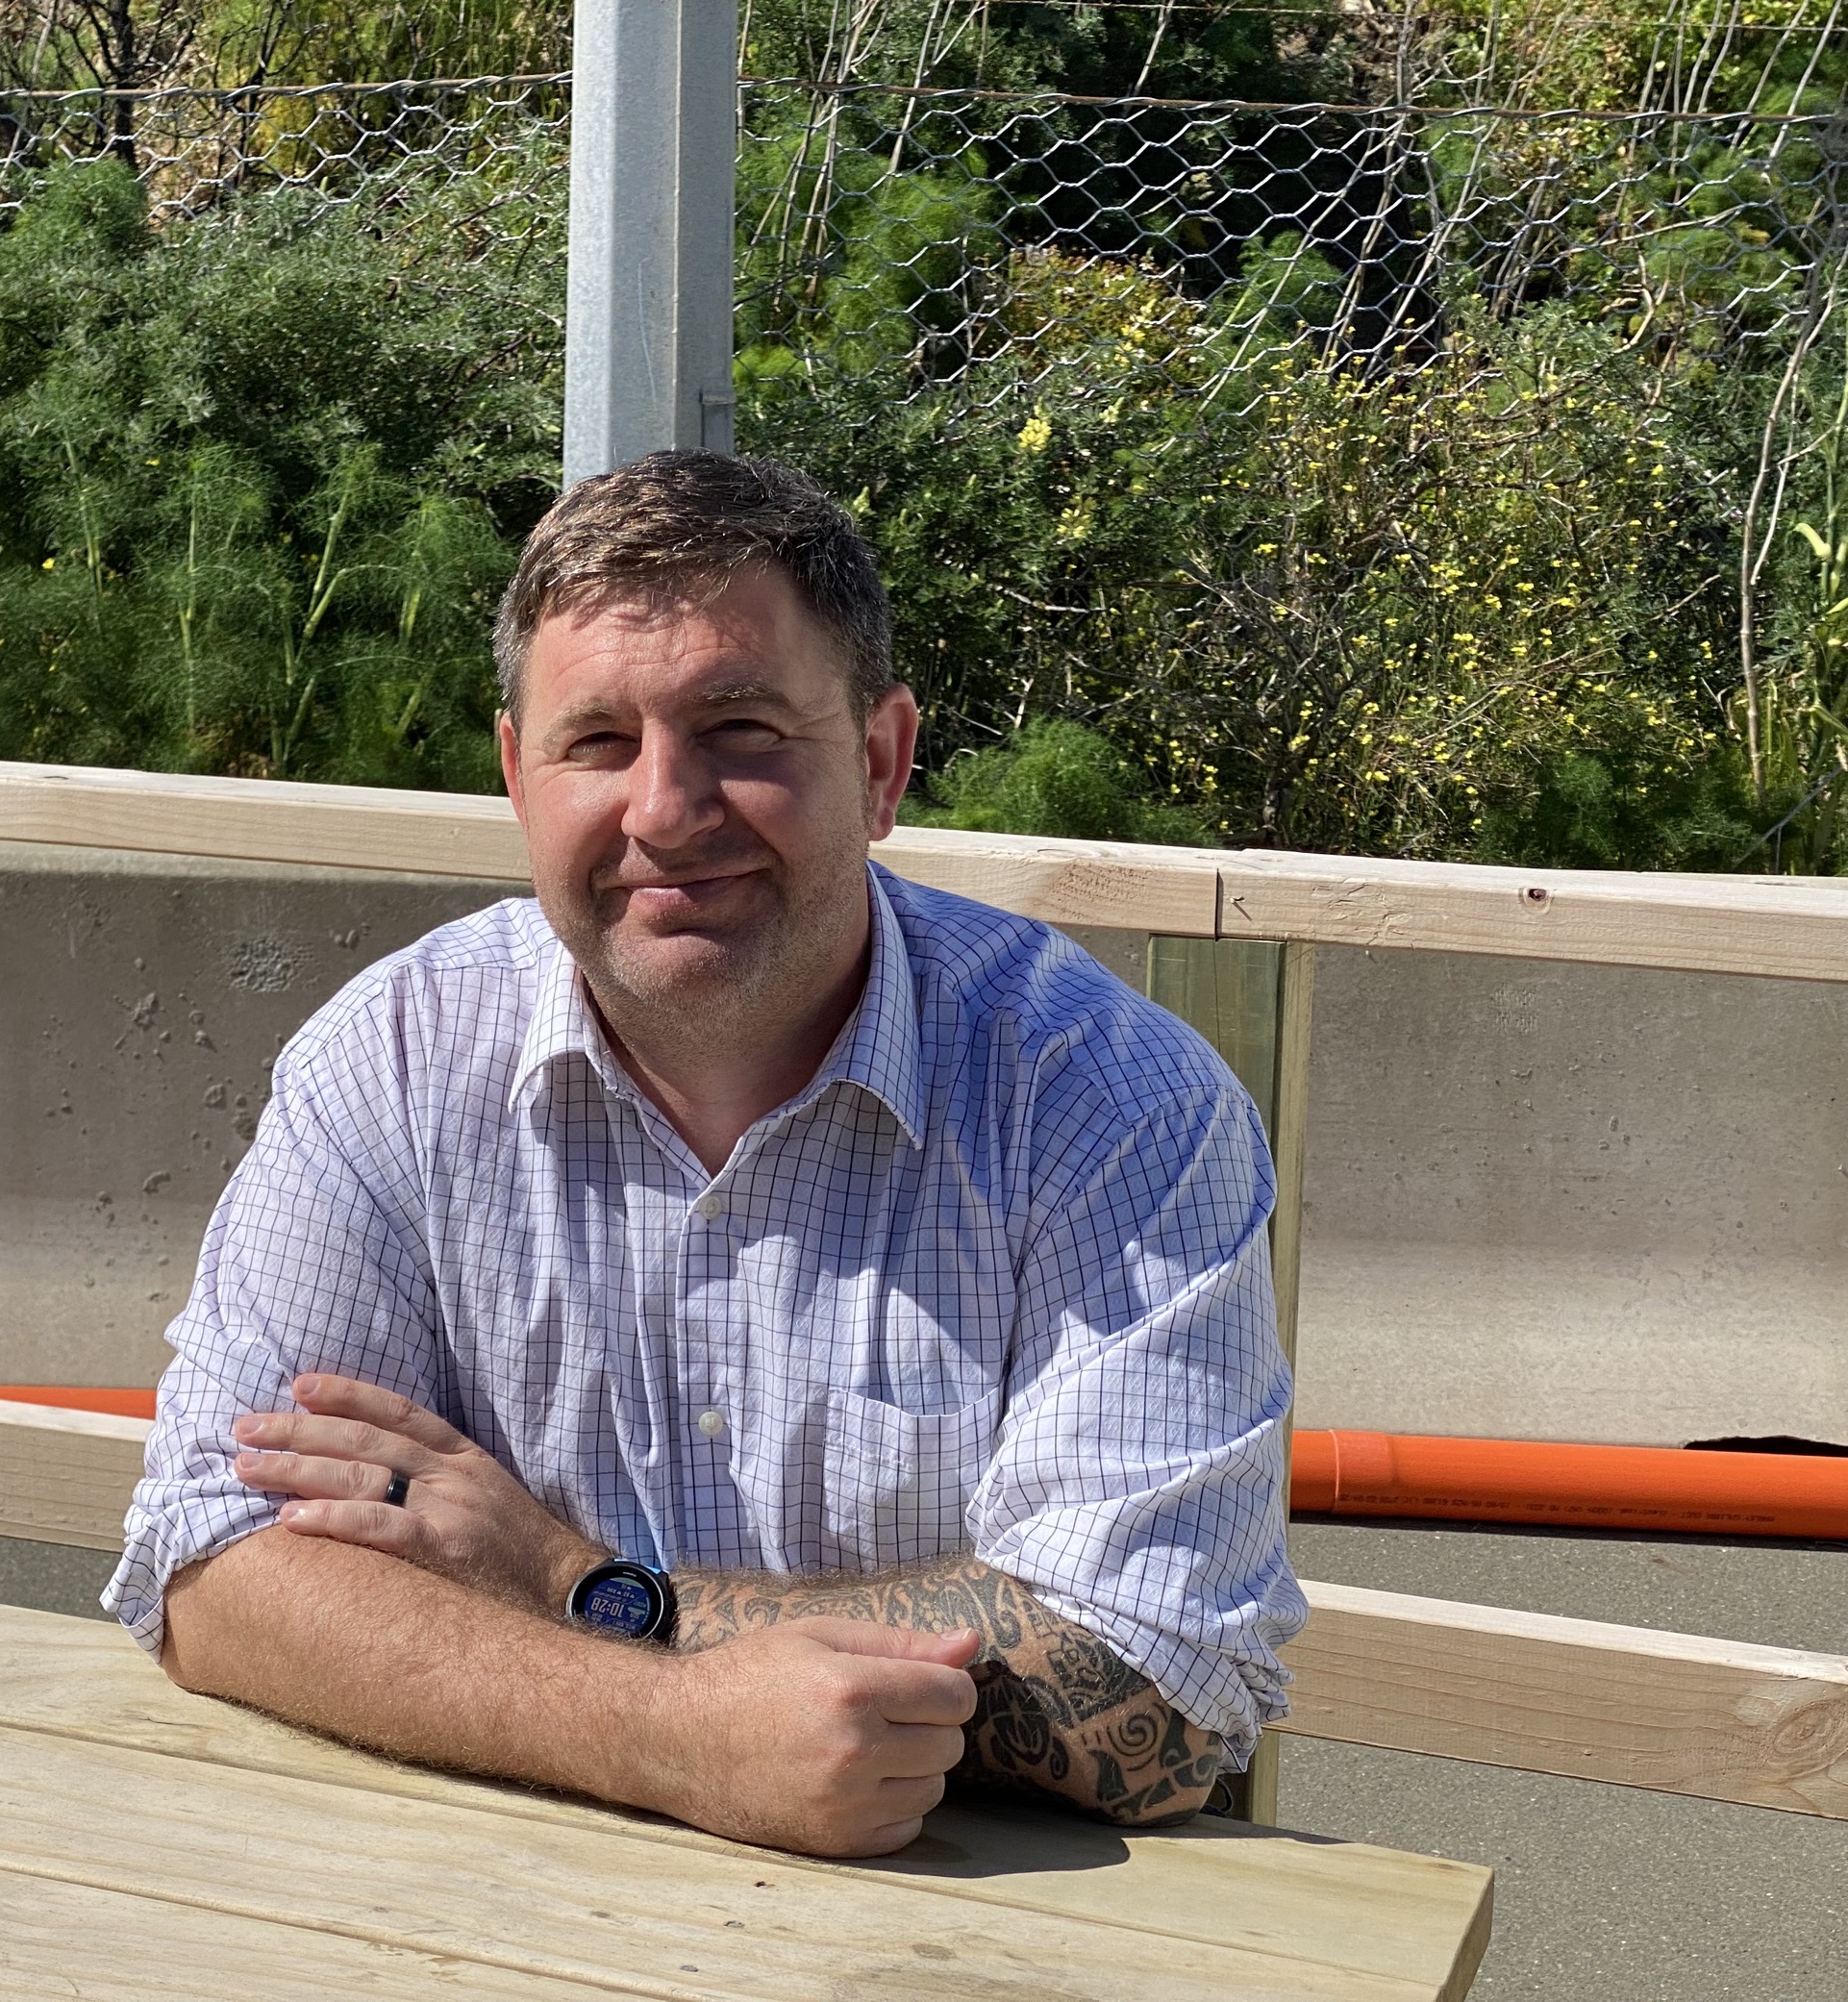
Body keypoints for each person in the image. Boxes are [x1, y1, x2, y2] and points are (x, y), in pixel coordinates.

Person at [105, 450, 1304, 1859]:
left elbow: (1149, 1680)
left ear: (880, 760)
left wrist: (578, 1581)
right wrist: (666, 1735)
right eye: (598, 742)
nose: (666, 809)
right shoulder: (395, 1056)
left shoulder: (1108, 1100)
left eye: (738, 728)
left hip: (986, 1922)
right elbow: (210, 1563)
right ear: (515, 775)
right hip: (492, 1875)